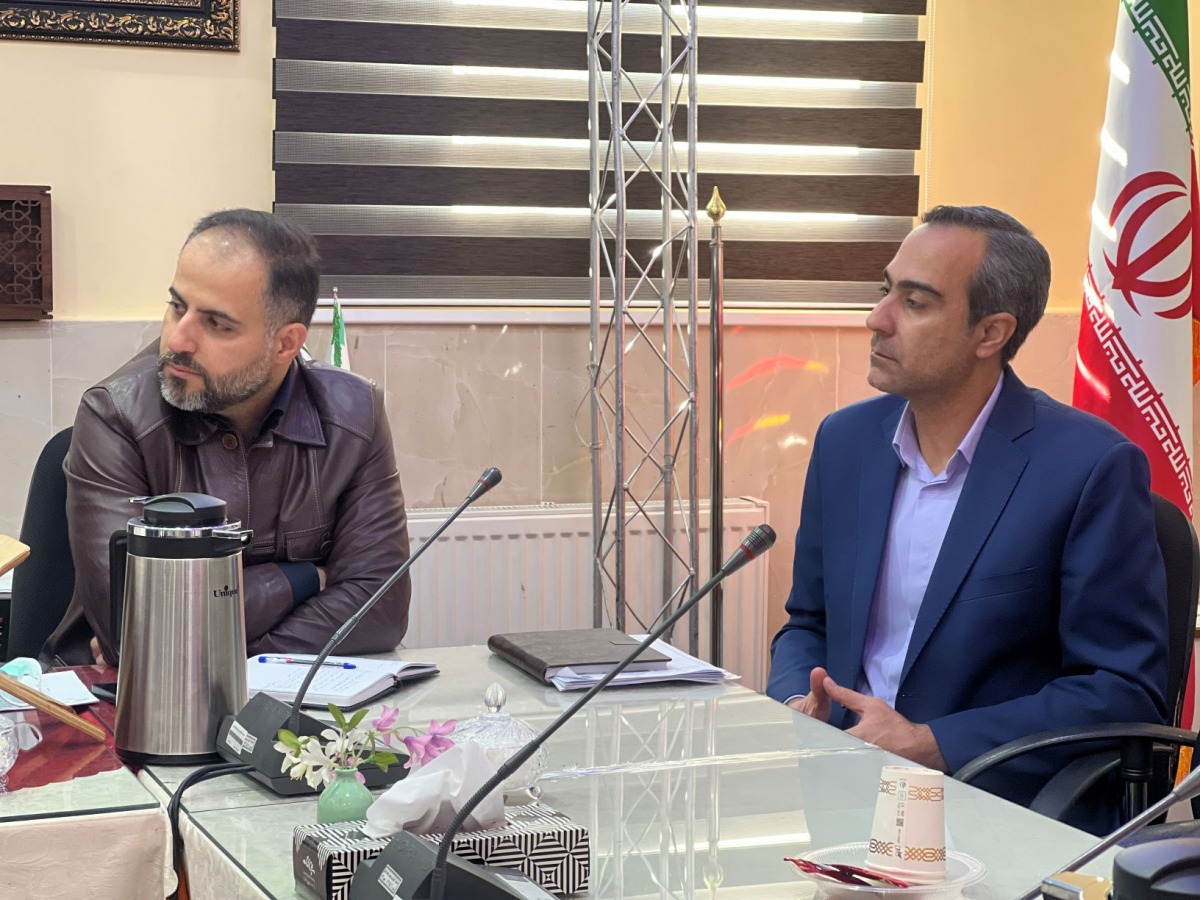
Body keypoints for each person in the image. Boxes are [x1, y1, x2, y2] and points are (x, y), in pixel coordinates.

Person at [766, 205, 1168, 829]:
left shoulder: (1089, 466)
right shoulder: (845, 442)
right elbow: (809, 622)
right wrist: (798, 699)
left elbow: (1121, 688)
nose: (877, 318)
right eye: (884, 291)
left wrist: (933, 744)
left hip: (997, 811)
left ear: (991, 333)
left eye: (915, 302)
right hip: (845, 796)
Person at [45, 209, 412, 666]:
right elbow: (136, 630)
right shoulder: (115, 414)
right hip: (114, 697)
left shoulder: (354, 416)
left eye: (217, 324)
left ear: (285, 343)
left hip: (290, 698)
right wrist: (300, 578)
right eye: (177, 306)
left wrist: (222, 651)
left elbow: (380, 611)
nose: (178, 339)